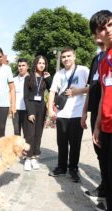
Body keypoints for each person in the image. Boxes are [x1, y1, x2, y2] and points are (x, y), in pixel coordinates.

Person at [48, 47, 89, 182]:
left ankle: (73, 169)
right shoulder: (59, 74)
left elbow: (93, 87)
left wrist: (77, 92)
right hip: (62, 114)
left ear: (74, 56)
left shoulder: (83, 70)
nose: (66, 59)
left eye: (68, 56)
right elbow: (52, 91)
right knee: (62, 143)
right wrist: (50, 109)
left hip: (77, 113)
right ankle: (61, 167)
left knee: (75, 143)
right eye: (64, 57)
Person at [91, 10, 112, 211]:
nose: (109, 30)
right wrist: (97, 126)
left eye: (111, 25)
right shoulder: (103, 62)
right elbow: (104, 95)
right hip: (105, 126)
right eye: (103, 28)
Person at [81, 38, 106, 202]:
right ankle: (105, 187)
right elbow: (90, 87)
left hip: (107, 111)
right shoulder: (96, 58)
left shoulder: (109, 57)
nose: (99, 34)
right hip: (95, 111)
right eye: (96, 31)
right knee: (99, 150)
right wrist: (84, 111)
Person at [23, 55, 52, 171]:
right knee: (30, 134)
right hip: (31, 106)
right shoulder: (28, 78)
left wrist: (49, 78)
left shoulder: (45, 78)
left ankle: (34, 157)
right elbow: (25, 97)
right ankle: (27, 158)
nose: (41, 65)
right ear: (35, 64)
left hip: (41, 107)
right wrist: (30, 112)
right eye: (39, 63)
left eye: (43, 63)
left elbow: (52, 89)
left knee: (38, 134)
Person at [12, 58, 29, 137]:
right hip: (16, 110)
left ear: (27, 67)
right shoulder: (13, 80)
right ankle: (18, 149)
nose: (21, 67)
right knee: (16, 132)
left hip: (27, 110)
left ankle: (28, 149)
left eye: (23, 65)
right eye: (19, 66)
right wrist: (12, 107)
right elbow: (10, 94)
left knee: (27, 133)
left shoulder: (31, 79)